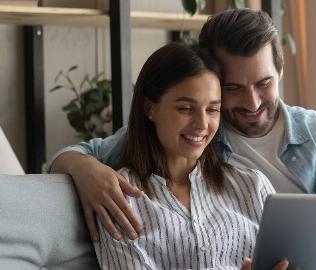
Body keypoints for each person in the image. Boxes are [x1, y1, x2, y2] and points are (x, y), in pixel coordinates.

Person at [49, 8, 316, 270]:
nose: (251, 102)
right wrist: (84, 170)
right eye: (234, 89)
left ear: (280, 71)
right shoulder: (193, 136)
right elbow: (78, 154)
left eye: (264, 83)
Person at [89, 41, 291, 269]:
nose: (202, 124)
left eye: (213, 109)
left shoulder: (253, 186)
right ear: (149, 108)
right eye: (185, 108)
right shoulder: (118, 198)